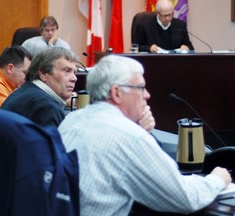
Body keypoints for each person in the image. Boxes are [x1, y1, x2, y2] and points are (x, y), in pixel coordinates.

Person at [58, 55, 231, 215]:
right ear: (117, 93)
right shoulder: (129, 136)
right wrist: (217, 179)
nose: (147, 95)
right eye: (140, 88)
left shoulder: (71, 120)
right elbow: (184, 198)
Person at [1, 47, 77, 127]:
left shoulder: (25, 92)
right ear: (43, 74)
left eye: (74, 72)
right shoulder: (47, 107)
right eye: (67, 71)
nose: (74, 78)